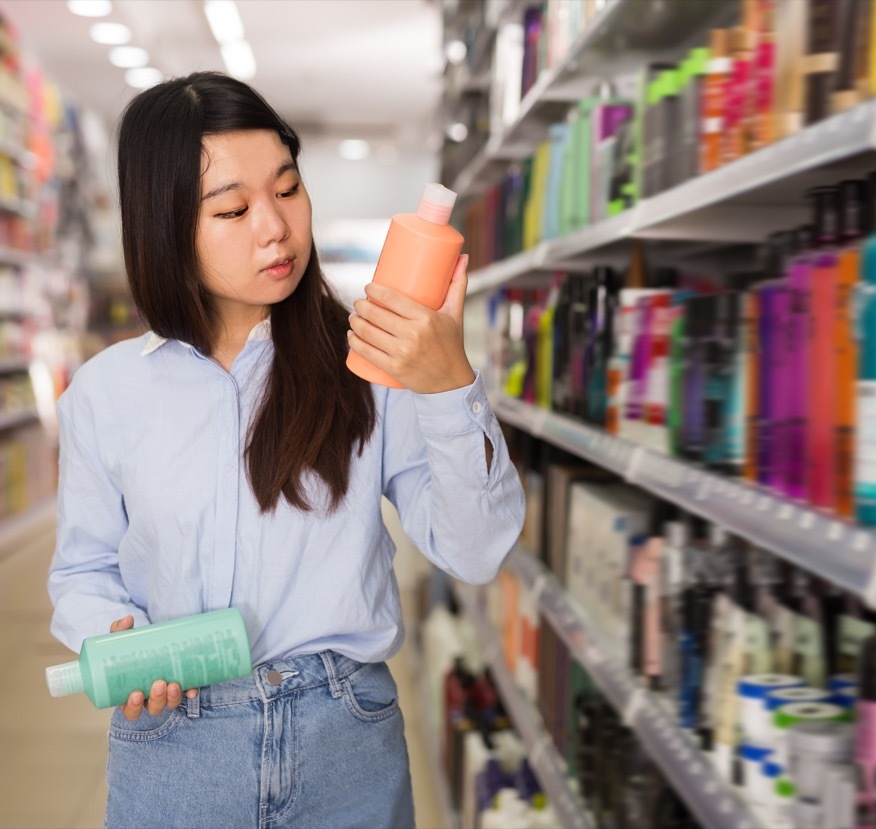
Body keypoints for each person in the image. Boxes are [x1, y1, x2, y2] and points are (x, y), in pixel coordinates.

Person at [46, 71, 524, 828]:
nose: (276, 228)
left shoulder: (370, 364)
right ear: (164, 226)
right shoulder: (107, 393)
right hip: (174, 744)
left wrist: (448, 386)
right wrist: (117, 638)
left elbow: (477, 551)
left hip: (345, 739)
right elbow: (83, 569)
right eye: (232, 209)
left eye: (288, 188)